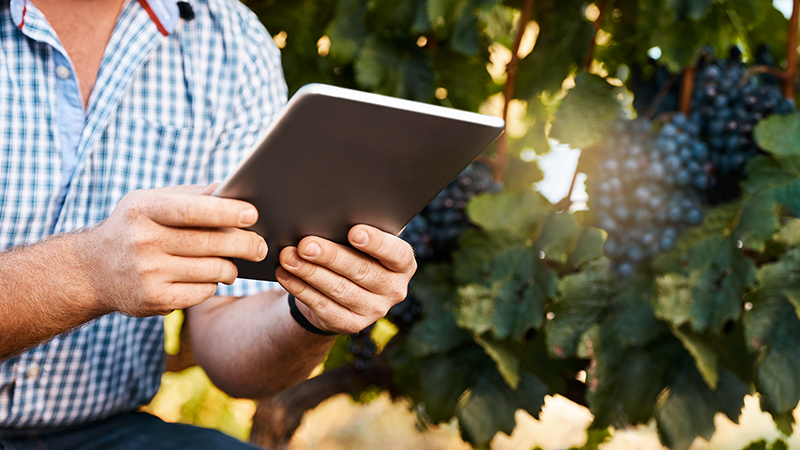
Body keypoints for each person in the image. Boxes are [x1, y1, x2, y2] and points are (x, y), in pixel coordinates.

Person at [0, 0, 416, 448]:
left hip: (101, 433)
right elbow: (93, 269)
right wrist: (87, 272)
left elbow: (229, 335)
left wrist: (309, 315)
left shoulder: (232, 41)